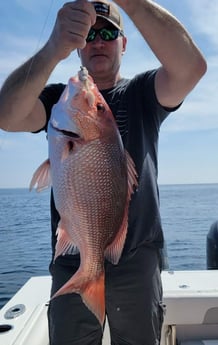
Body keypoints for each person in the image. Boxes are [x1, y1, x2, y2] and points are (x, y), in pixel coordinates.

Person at [0, 0, 206, 344]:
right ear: (78, 47)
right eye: (90, 34)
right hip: (72, 257)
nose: (98, 40)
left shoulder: (142, 93)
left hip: (138, 258)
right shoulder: (57, 101)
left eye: (109, 33)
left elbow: (192, 69)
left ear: (123, 44)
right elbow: (6, 115)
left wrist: (133, 4)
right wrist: (54, 47)